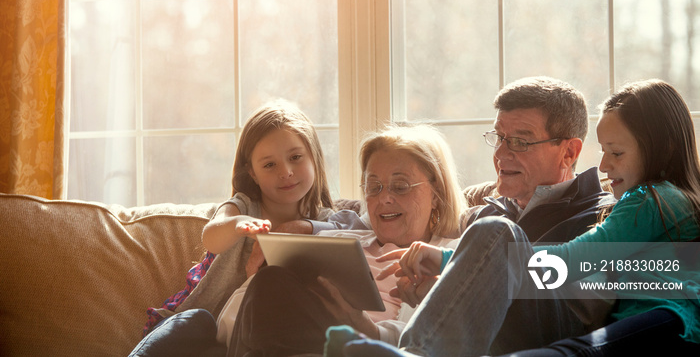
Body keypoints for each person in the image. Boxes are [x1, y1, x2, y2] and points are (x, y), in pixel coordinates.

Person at [334, 79, 700, 356]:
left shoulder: (606, 208)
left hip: (566, 318)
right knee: (493, 229)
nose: (502, 154)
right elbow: (357, 209)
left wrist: (451, 262)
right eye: (499, 138)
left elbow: (579, 275)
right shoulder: (487, 206)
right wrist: (456, 285)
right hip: (506, 327)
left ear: (569, 151)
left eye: (520, 141)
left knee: (496, 233)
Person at [224, 124, 466, 356]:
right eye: (374, 187)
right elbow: (231, 321)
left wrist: (364, 326)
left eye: (400, 187)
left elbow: (447, 340)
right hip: (292, 339)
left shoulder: (456, 255)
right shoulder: (334, 241)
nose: (384, 199)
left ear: (436, 194)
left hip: (372, 350)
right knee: (271, 278)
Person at [130, 100, 348, 357]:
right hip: (208, 327)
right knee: (194, 322)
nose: (286, 172)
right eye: (269, 165)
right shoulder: (243, 206)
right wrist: (237, 225)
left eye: (296, 158)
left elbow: (354, 235)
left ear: (315, 157)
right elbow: (211, 237)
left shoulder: (327, 222)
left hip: (255, 338)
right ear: (252, 173)